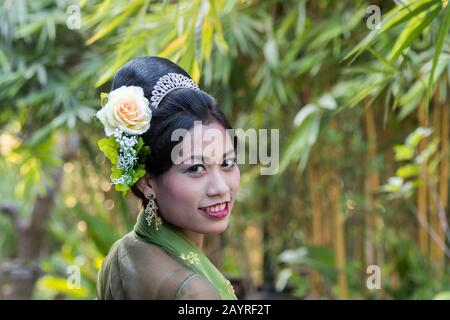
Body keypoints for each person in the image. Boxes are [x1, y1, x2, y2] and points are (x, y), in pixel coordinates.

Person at [95, 56, 240, 300]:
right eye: (196, 168)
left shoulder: (120, 255)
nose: (220, 188)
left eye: (227, 163)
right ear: (146, 182)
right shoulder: (193, 292)